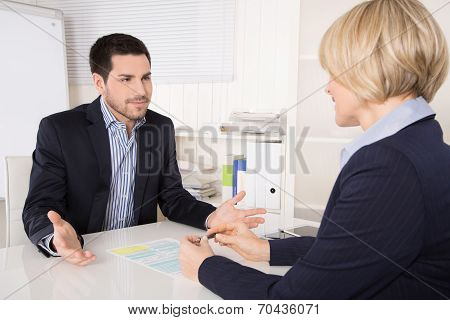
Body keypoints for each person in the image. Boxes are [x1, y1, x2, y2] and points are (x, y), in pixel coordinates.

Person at [179, 0, 450, 299]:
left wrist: (205, 266)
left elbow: (294, 303)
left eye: (334, 72)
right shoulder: (423, 145)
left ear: (368, 69)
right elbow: (356, 248)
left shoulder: (390, 165)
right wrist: (264, 248)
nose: (328, 87)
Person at [23, 33, 265, 266]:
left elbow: (173, 198)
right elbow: (40, 204)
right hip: (84, 255)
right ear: (99, 83)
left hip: (139, 254)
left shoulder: (160, 126)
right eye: (126, 79)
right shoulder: (59, 129)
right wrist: (54, 239)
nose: (141, 90)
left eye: (146, 77)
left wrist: (212, 216)